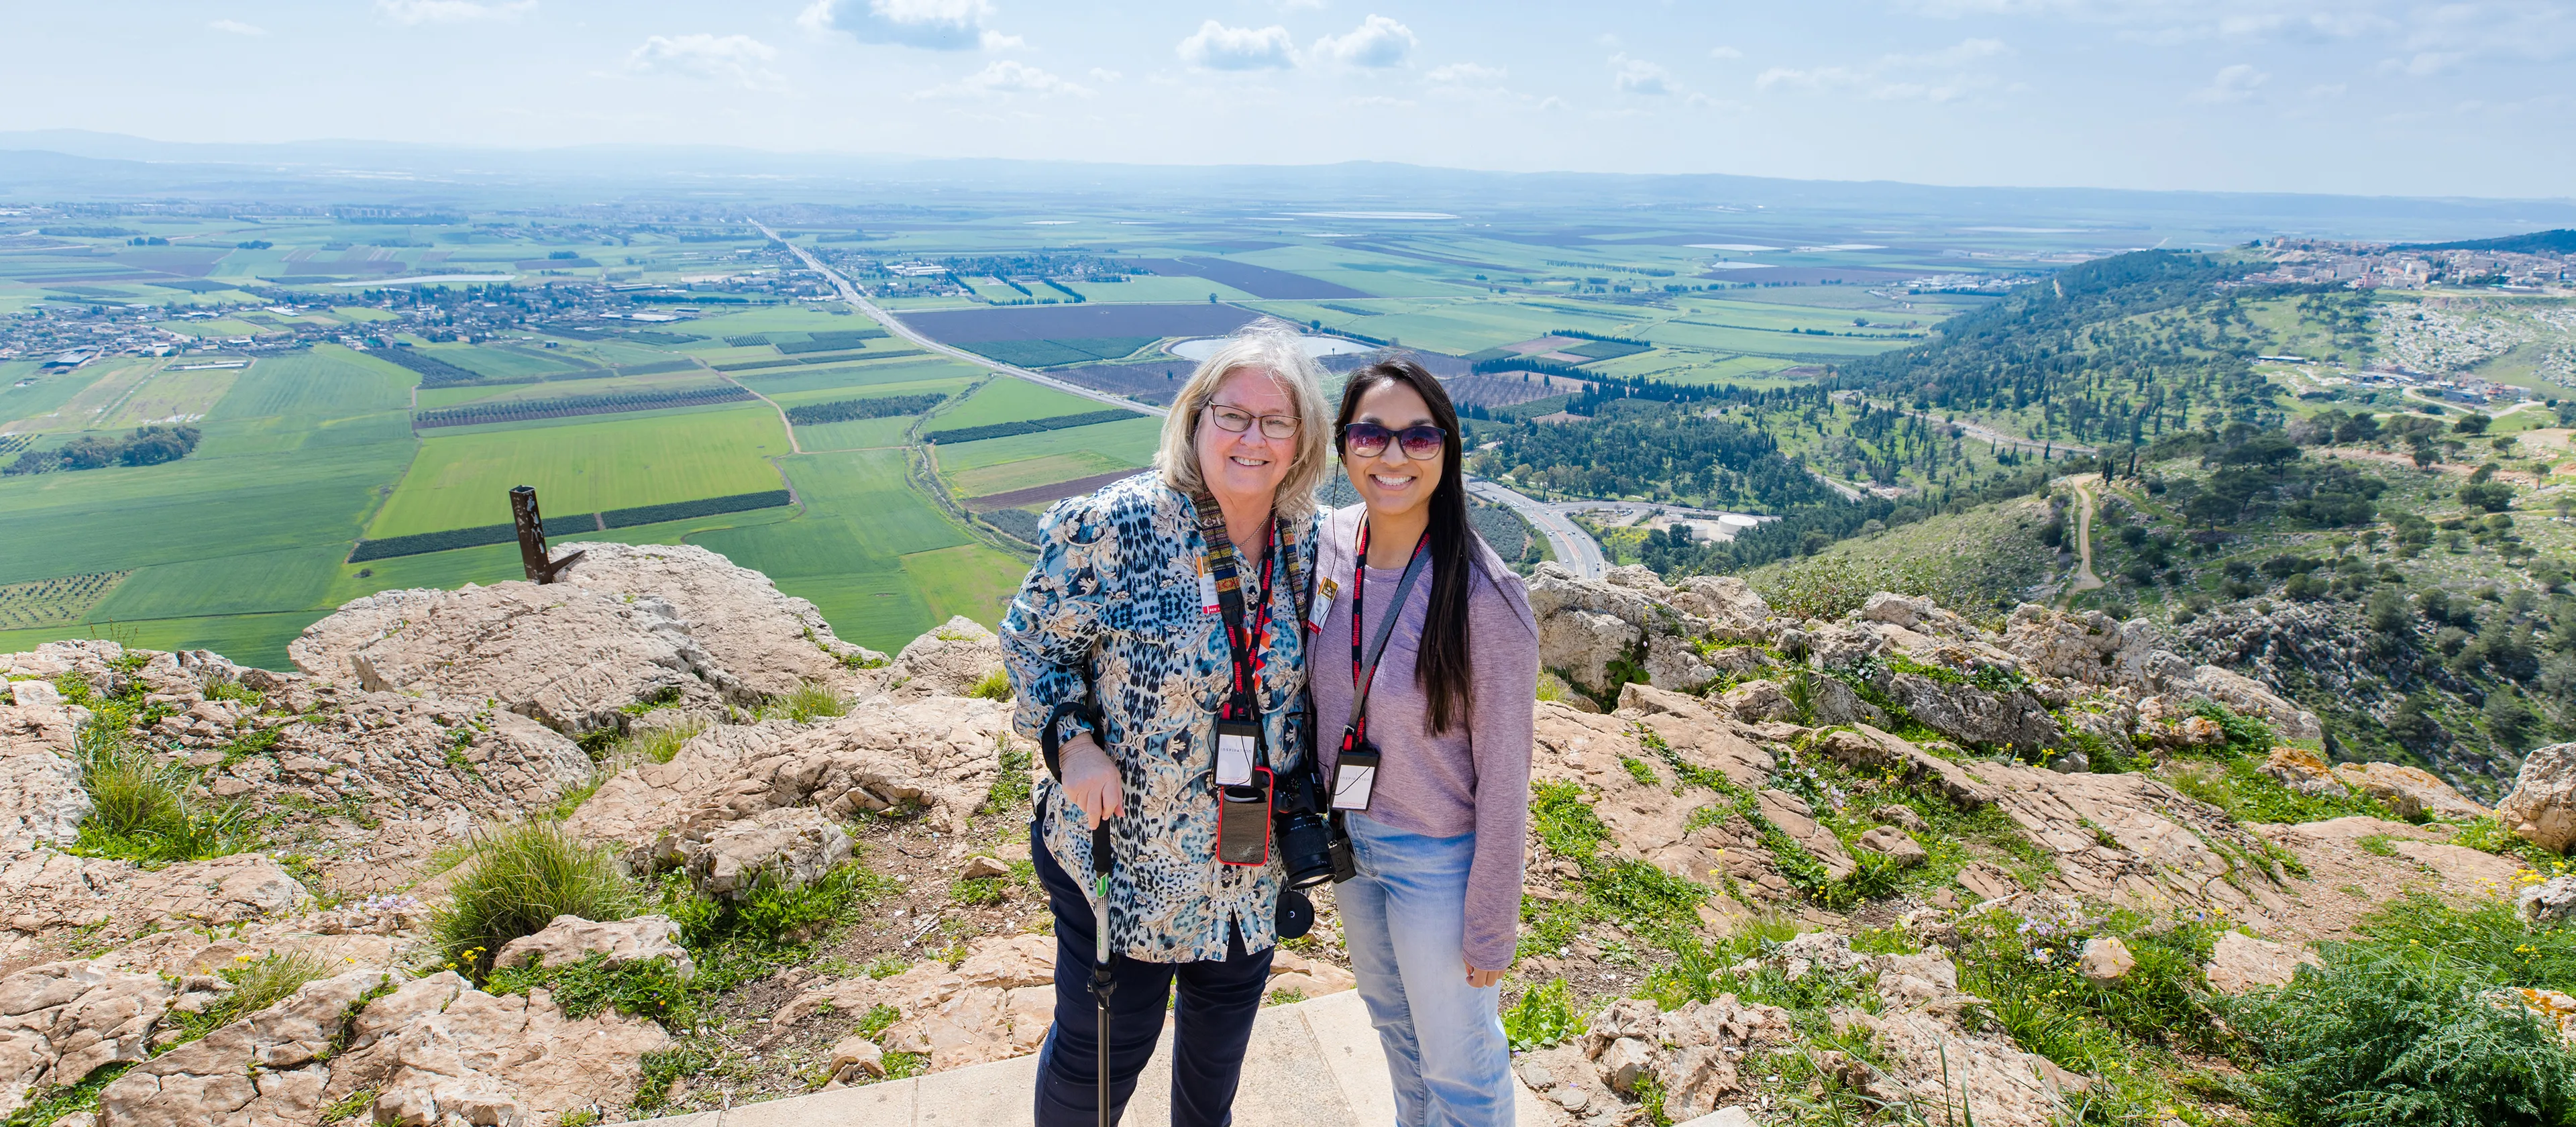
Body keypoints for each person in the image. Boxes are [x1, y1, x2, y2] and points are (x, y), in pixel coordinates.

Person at [999, 323, 1335, 1127]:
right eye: (1233, 414)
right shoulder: (1117, 528)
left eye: (1276, 420)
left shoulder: (1313, 540)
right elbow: (1031, 640)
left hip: (1248, 869)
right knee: (1100, 1058)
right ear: (1195, 419)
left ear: (1303, 440)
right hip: (1125, 860)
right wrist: (1072, 745)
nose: (1251, 437)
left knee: (1214, 1072)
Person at [1308, 356, 1538, 1127]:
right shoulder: (1329, 546)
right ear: (1344, 446)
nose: (1395, 456)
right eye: (1372, 434)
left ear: (1448, 450)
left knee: (1462, 1069)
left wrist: (1489, 924)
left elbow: (1507, 777)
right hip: (1352, 844)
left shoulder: (1484, 596)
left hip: (1436, 858)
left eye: (1420, 436)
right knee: (1399, 1040)